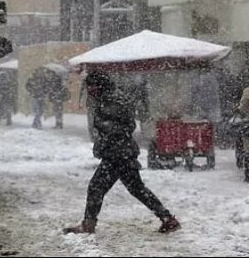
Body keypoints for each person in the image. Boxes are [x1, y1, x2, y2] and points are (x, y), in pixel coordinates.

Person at [63, 70, 181, 235]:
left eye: (91, 87)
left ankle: (88, 224)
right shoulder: (110, 98)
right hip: (121, 152)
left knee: (96, 187)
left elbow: (123, 126)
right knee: (136, 189)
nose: (89, 91)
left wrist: (104, 141)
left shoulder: (111, 100)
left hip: (117, 154)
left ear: (99, 86)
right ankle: (167, 218)